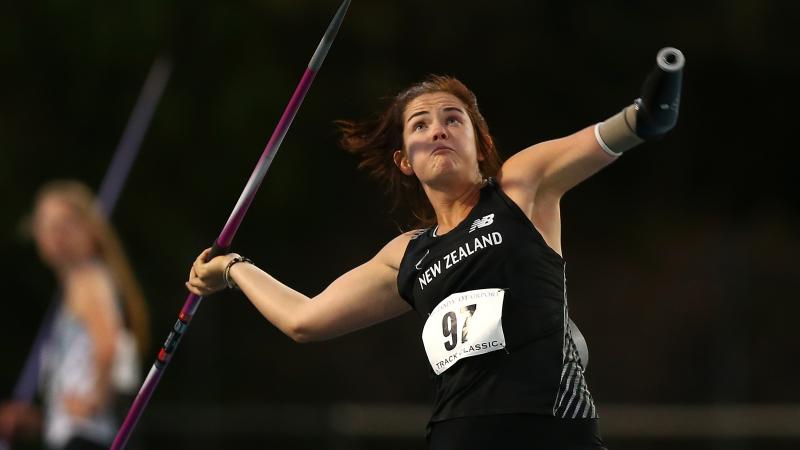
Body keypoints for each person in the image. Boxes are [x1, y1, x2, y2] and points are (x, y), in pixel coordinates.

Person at [187, 48, 684, 449]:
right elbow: (304, 319)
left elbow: (633, 126)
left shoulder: (520, 189)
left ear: (479, 142)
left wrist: (651, 110)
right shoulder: (406, 254)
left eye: (453, 119)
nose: (438, 129)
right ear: (405, 160)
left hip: (550, 430)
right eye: (420, 124)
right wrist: (233, 268)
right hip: (457, 435)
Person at [0, 180, 149, 450]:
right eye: (46, 224)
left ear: (89, 230)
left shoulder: (88, 279)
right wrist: (37, 420)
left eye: (66, 224)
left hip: (85, 438)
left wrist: (95, 400)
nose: (55, 234)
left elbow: (109, 345)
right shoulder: (72, 288)